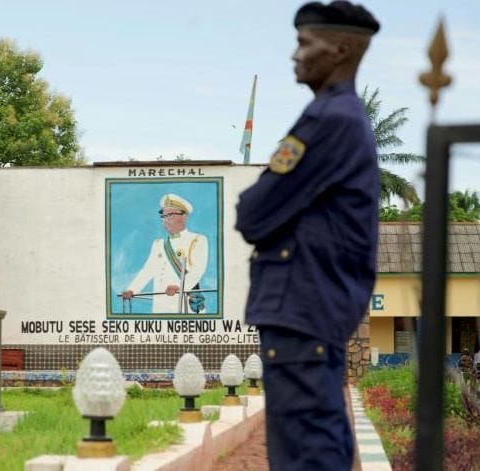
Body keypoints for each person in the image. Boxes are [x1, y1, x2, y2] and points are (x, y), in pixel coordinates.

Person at [235, 2, 380, 469]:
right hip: (315, 307)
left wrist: (272, 210)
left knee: (305, 455)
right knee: (321, 446)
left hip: (301, 306)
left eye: (304, 43)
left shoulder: (328, 119)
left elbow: (253, 214)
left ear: (339, 49)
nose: (294, 55)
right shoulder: (343, 118)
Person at [121, 193, 209, 313]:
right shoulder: (159, 244)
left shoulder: (197, 240)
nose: (166, 220)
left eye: (171, 215)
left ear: (184, 217)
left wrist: (179, 286)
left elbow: (198, 270)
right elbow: (147, 270)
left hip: (184, 304)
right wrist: (132, 290)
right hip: (160, 305)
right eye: (164, 216)